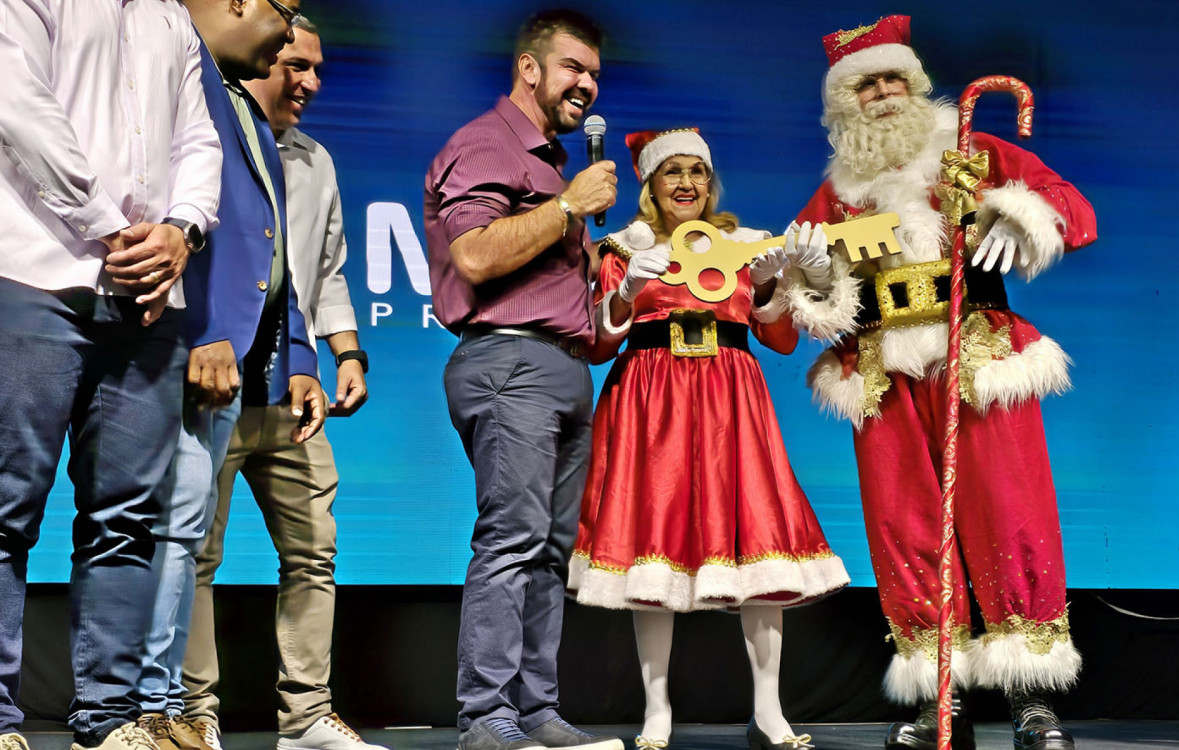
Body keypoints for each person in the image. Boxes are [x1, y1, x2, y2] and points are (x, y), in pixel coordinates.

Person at [784, 15, 1097, 750]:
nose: (884, 92)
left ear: (916, 83)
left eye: (894, 77)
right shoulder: (839, 192)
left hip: (978, 352)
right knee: (906, 528)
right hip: (886, 371)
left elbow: (1073, 211)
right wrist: (813, 278)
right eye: (866, 85)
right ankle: (938, 699)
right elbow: (796, 292)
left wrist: (1017, 218)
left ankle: (1031, 695)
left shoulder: (973, 150)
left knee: (1010, 513)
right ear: (844, 105)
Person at [568, 128, 851, 750]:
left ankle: (770, 712)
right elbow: (594, 345)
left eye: (698, 172)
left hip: (729, 397)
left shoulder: (747, 247)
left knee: (756, 539)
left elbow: (778, 341)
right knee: (652, 543)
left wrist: (776, 285)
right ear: (650, 183)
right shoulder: (625, 247)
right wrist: (624, 292)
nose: (687, 184)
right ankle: (657, 710)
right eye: (673, 172)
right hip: (650, 398)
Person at [0, 1, 222, 749]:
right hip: (35, 274)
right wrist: (109, 222)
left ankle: (109, 720)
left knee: (126, 521)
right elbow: (16, 101)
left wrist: (182, 227)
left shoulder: (172, 16)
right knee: (6, 509)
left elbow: (199, 136)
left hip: (147, 294)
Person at [179, 20, 382, 750]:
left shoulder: (315, 160)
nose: (311, 81)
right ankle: (193, 713)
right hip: (212, 381)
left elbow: (322, 272)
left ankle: (306, 717)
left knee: (315, 550)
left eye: (318, 69)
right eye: (296, 63)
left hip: (291, 385)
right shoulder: (199, 134)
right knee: (194, 553)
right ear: (262, 56)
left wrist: (345, 353)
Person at [424, 10, 624, 750]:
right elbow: (474, 256)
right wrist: (569, 208)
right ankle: (487, 717)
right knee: (512, 541)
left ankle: (535, 709)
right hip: (508, 363)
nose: (587, 84)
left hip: (564, 371)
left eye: (596, 73)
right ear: (530, 69)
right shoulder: (486, 142)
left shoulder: (548, 163)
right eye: (574, 67)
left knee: (547, 549)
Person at [134, 2, 325, 750]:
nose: (288, 42)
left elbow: (271, 255)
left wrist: (300, 355)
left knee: (181, 535)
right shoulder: (181, 79)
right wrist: (203, 327)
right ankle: (151, 709)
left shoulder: (241, 104)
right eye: (283, 17)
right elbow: (177, 217)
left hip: (250, 361)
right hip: (192, 348)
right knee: (162, 533)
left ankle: (167, 712)